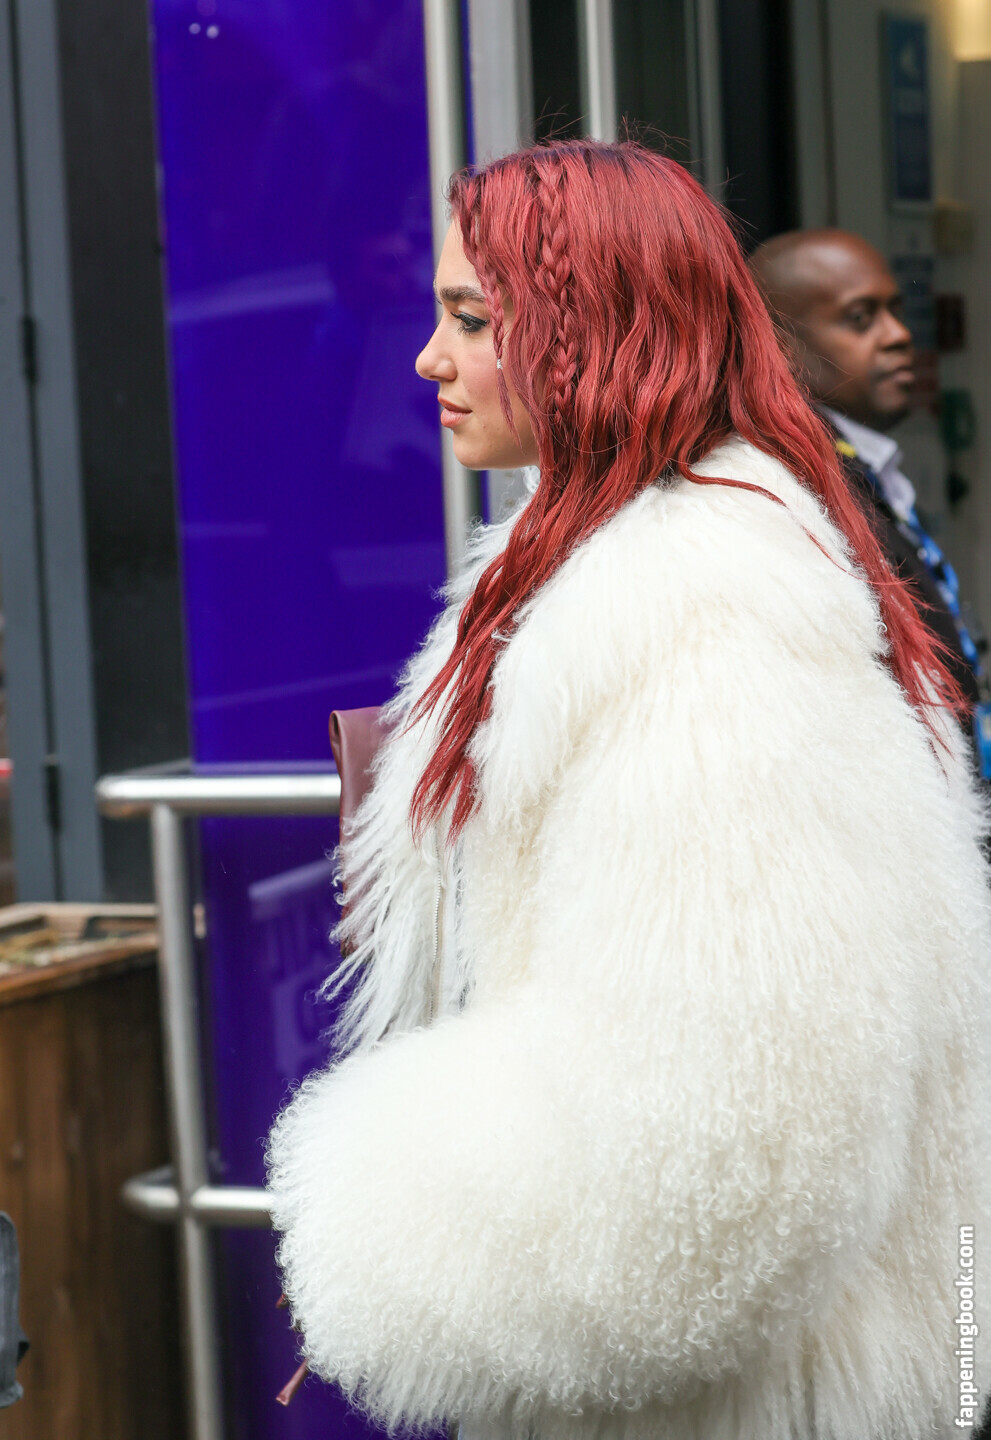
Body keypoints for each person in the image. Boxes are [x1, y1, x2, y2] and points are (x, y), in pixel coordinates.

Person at [268, 142, 991, 1440]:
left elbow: (718, 1163)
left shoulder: (700, 622)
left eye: (472, 319)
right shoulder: (625, 574)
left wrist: (364, 1215)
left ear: (600, 331)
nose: (427, 359)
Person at [749, 228, 986, 726]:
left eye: (896, 311)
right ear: (780, 346)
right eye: (860, 318)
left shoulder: (865, 465)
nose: (899, 335)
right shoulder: (804, 489)